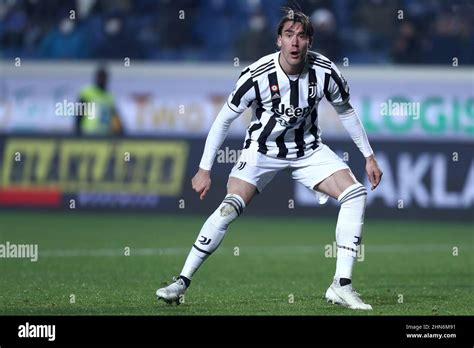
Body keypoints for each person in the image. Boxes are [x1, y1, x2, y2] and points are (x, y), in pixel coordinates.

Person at [156, 8, 382, 310]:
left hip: (307, 150)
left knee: (355, 194)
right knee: (228, 209)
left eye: (302, 36)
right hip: (260, 151)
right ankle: (180, 282)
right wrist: (204, 169)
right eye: (289, 35)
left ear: (310, 41)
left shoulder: (325, 72)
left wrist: (368, 156)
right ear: (278, 40)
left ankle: (341, 285)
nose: (295, 42)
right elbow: (223, 121)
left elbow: (346, 110)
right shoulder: (256, 76)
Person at [76, 66, 123, 136]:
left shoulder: (109, 97)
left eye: (104, 77)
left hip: (105, 134)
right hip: (88, 132)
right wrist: (77, 132)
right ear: (96, 77)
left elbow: (115, 118)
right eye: (100, 77)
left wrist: (120, 131)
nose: (102, 80)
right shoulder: (87, 93)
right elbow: (79, 115)